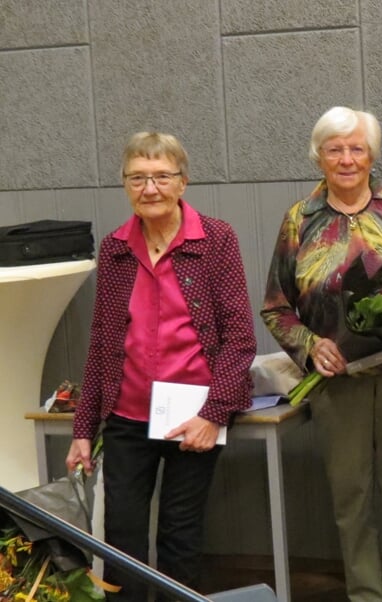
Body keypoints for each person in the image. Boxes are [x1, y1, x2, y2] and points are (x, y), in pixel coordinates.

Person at [65, 132, 257, 601]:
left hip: (194, 416)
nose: (149, 188)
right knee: (121, 541)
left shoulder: (215, 239)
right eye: (137, 178)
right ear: (125, 185)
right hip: (128, 415)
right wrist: (84, 428)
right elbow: (102, 343)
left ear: (183, 183)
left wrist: (214, 414)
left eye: (161, 177)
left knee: (181, 537)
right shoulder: (114, 249)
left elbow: (239, 337)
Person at [261, 106, 382, 602]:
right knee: (351, 500)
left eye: (356, 148)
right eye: (334, 149)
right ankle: (364, 595)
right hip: (338, 383)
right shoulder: (300, 220)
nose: (346, 159)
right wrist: (310, 345)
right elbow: (277, 308)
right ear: (318, 156)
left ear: (371, 155)